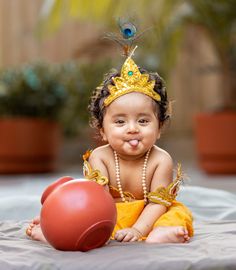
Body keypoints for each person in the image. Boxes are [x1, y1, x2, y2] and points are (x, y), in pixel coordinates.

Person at [26, 54, 193, 244]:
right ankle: (55, 228)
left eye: (143, 121)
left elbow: (157, 203)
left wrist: (138, 230)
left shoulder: (160, 160)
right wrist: (68, 215)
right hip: (109, 214)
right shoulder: (100, 157)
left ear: (159, 128)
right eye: (120, 121)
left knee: (176, 215)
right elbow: (96, 201)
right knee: (82, 217)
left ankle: (162, 234)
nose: (132, 128)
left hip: (150, 216)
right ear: (103, 130)